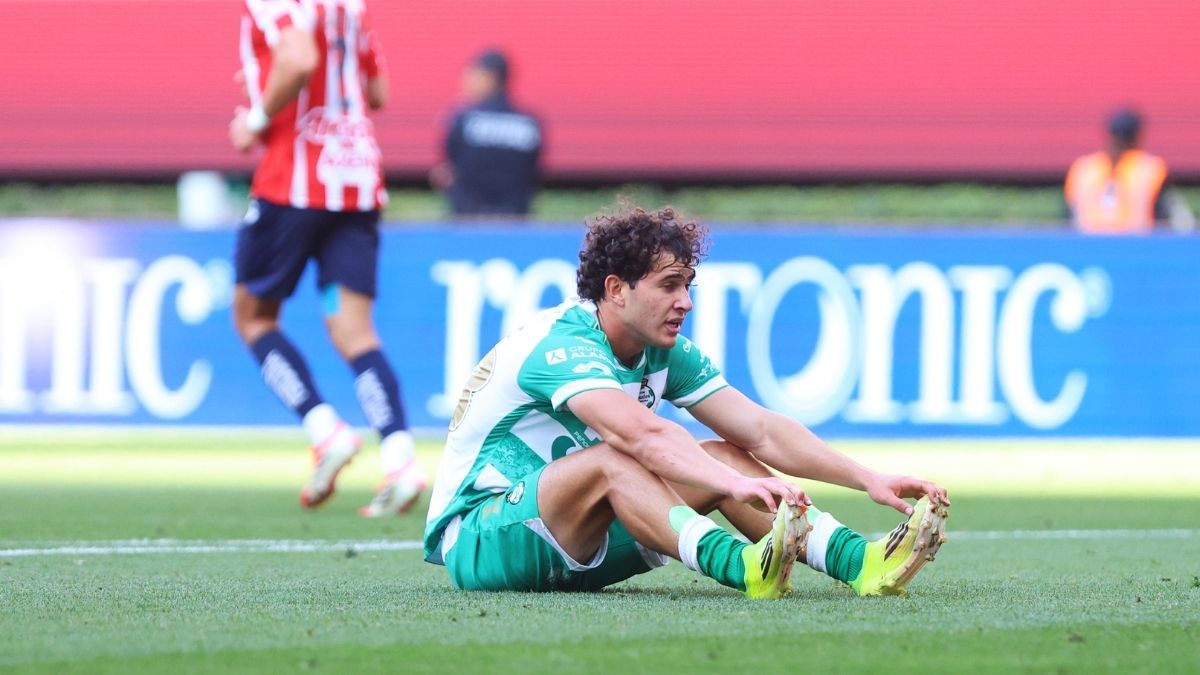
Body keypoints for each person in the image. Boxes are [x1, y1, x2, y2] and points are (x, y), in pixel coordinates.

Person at [423, 205, 950, 598]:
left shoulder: (661, 349)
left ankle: (863, 564)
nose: (686, 302)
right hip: (481, 541)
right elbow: (639, 435)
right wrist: (736, 486)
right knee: (620, 461)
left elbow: (761, 431)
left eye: (688, 284)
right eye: (670, 285)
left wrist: (867, 478)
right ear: (616, 289)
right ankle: (744, 567)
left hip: (582, 539)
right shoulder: (560, 346)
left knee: (719, 454)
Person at [228, 0, 425, 517]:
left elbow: (297, 58)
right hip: (355, 181)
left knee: (253, 318)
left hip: (292, 185)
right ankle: (401, 461)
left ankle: (325, 429)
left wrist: (255, 119)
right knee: (355, 331)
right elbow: (376, 92)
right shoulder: (351, 5)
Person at [430, 49, 543, 217]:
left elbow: (444, 172)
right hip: (517, 223)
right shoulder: (531, 123)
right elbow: (535, 175)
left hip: (468, 224)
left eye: (474, 76)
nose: (467, 82)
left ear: (491, 77)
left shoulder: (463, 120)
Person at [1065, 109, 1194, 234]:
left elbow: (1066, 218)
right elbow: (1181, 221)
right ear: (1137, 135)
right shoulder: (1150, 168)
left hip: (1085, 249)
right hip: (1138, 249)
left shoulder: (1083, 168)